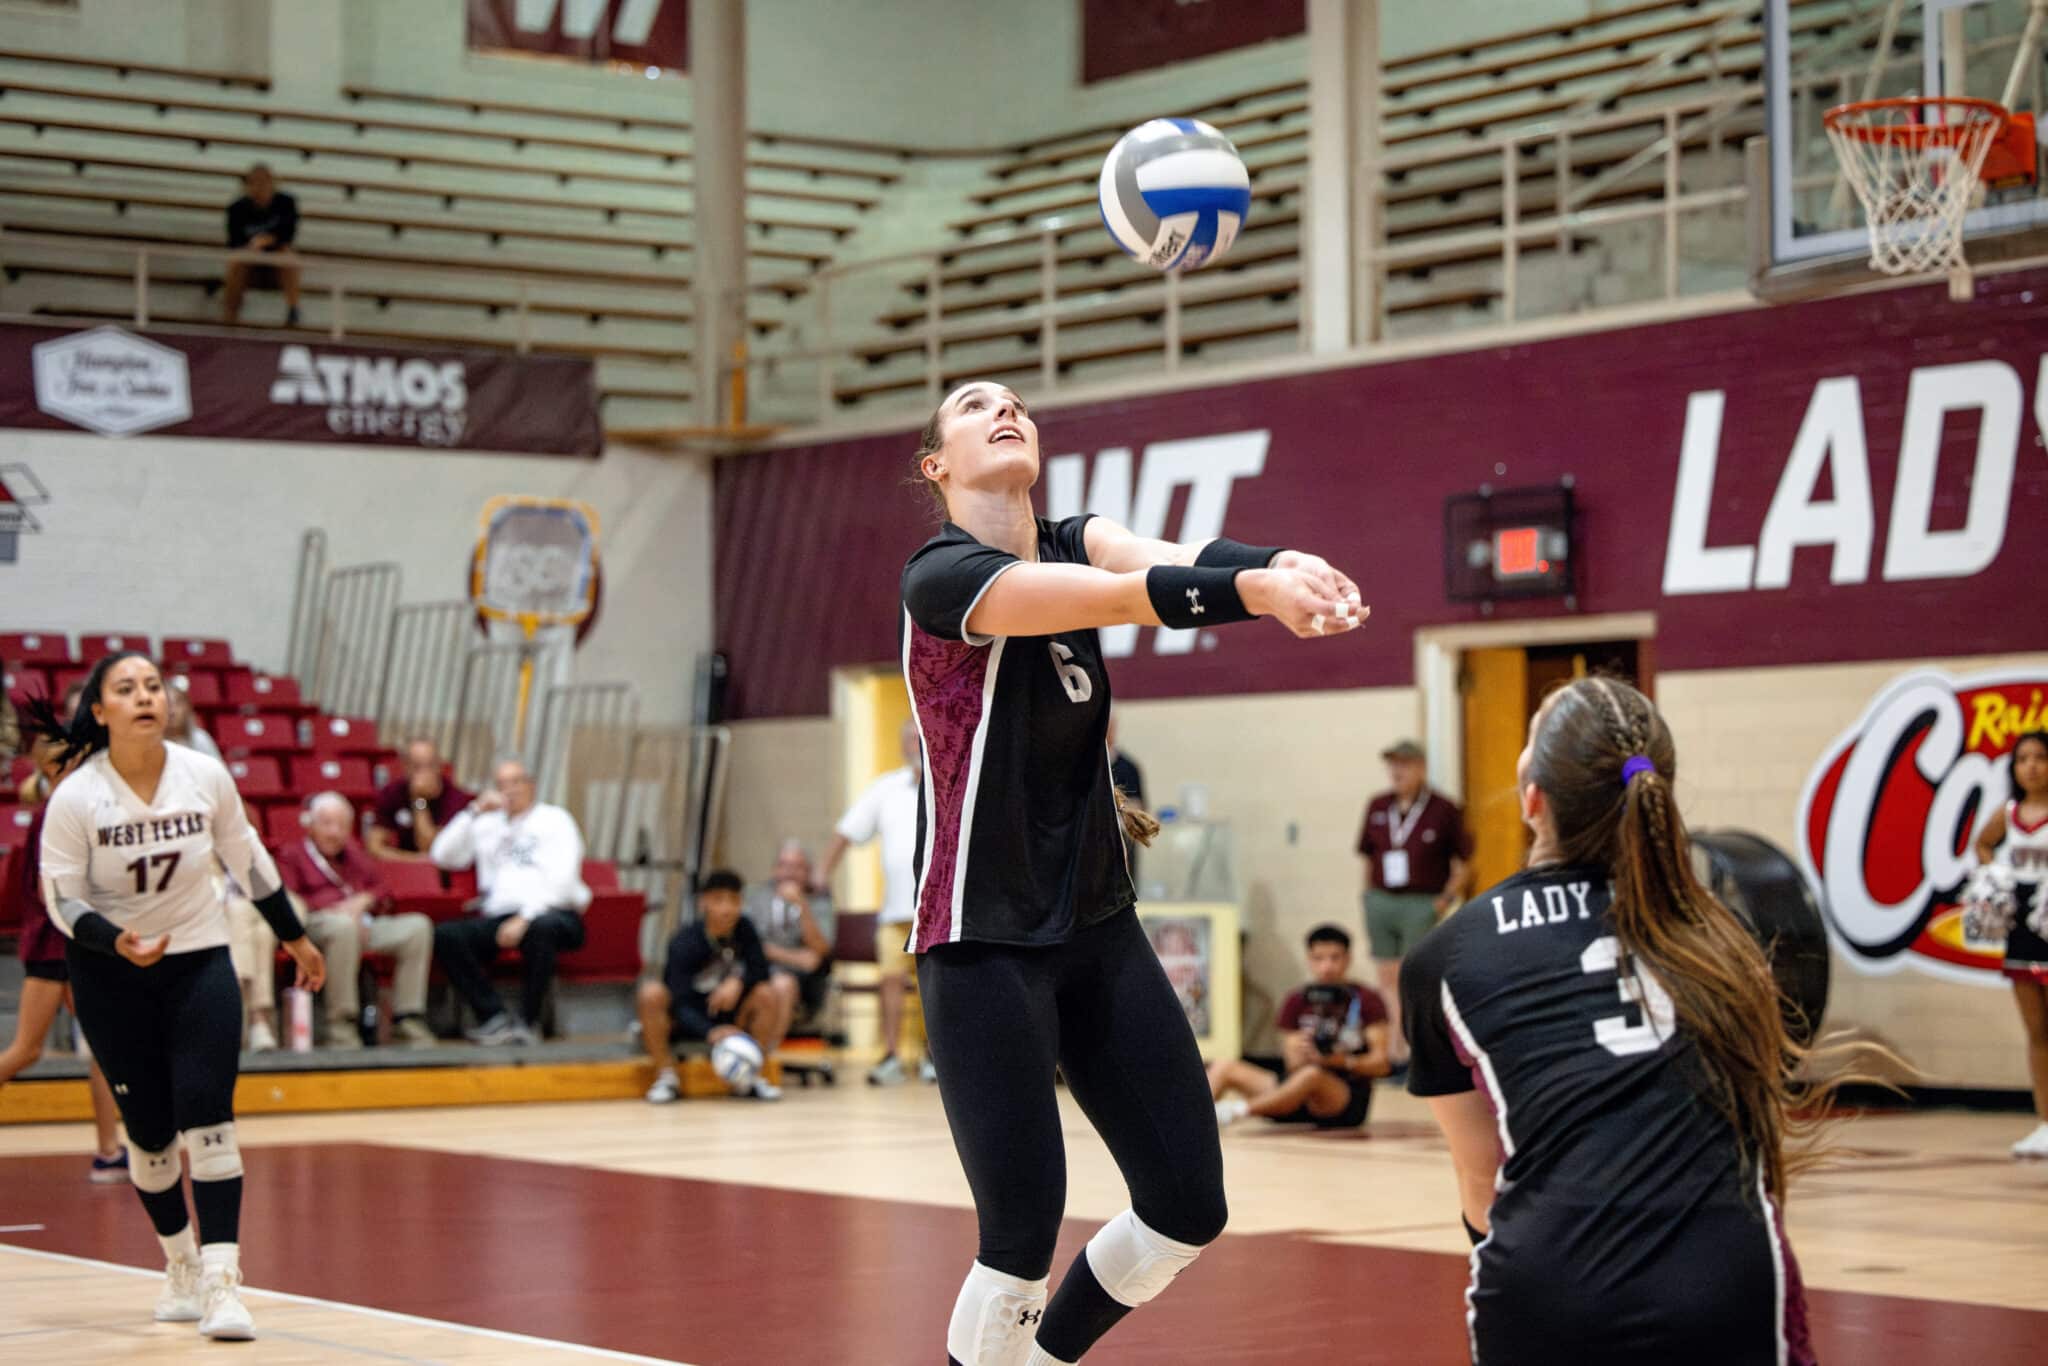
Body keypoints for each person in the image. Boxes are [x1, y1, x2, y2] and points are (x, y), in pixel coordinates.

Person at [902, 379, 1364, 1364]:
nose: (1005, 410)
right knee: (1021, 1238)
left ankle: (1044, 1359)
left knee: (1188, 1204)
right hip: (982, 937)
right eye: (974, 404)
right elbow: (1125, 599)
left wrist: (1281, 564)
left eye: (1018, 402)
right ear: (935, 466)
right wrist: (1257, 595)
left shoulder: (1072, 536)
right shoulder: (941, 576)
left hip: (1095, 927)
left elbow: (1165, 559)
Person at [1402, 677, 1820, 1366]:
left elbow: (1482, 1186)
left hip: (1549, 1288)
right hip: (1728, 1277)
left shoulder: (1446, 956)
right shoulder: (1726, 940)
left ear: (1532, 799)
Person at [30, 653, 326, 1341]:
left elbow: (248, 859)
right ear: (100, 712)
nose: (145, 697)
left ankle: (224, 1284)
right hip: (110, 976)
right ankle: (180, 1265)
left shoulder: (204, 775)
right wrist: (115, 939)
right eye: (126, 689)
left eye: (154, 687)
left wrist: (295, 936)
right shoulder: (77, 797)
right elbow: (59, 899)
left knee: (208, 1115)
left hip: (198, 962)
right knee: (153, 1136)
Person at [0, 730, 127, 1181]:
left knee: (106, 1047)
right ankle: (110, 1150)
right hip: (56, 945)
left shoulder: (66, 808)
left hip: (70, 943)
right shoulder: (56, 811)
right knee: (26, 1050)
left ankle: (110, 1151)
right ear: (57, 767)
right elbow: (46, 890)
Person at [429, 758, 588, 1045]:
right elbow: (441, 855)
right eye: (502, 784)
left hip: (554, 911)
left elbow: (564, 882)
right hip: (500, 913)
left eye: (516, 782)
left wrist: (526, 917)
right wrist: (473, 810)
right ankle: (494, 1017)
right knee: (447, 935)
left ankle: (530, 1021)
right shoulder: (487, 825)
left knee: (541, 930)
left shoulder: (555, 820)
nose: (510, 790)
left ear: (531, 785)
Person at [274, 792, 436, 1048]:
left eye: (341, 825)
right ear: (312, 826)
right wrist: (337, 910)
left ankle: (407, 1018)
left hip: (362, 924)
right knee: (343, 928)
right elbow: (289, 901)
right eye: (327, 824)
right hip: (318, 925)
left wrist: (364, 901)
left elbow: (384, 889)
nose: (334, 832)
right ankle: (341, 1025)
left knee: (418, 926)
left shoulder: (353, 853)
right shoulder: (293, 855)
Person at [818, 721, 930, 1086]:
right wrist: (822, 872)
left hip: (938, 912)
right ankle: (892, 1055)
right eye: (909, 737)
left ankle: (935, 1058)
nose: (914, 742)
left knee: (937, 985)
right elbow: (847, 831)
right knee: (890, 979)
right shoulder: (885, 788)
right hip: (896, 911)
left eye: (919, 736)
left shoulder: (949, 782)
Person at [1357, 738, 1471, 1068]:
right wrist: (1367, 897)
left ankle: (1415, 1048)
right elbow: (1368, 856)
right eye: (1391, 764)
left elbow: (1465, 863)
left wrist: (1444, 900)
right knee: (1386, 977)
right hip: (1382, 901)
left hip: (1421, 902)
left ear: (1420, 768)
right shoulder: (1378, 806)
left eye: (1403, 764)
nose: (1396, 770)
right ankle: (1396, 1050)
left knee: (1413, 975)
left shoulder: (1443, 809)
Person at [1209, 923, 1389, 1130]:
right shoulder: (1297, 999)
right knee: (1224, 1066)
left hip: (1342, 1095)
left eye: (1335, 958)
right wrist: (1302, 1052)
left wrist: (1340, 1060)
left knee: (1311, 1075)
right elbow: (1292, 1065)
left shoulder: (1366, 999)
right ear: (1309, 960)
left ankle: (1232, 1112)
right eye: (1319, 958)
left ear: (1348, 958)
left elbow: (1381, 1063)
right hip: (1295, 1088)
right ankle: (1186, 1122)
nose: (1327, 966)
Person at [637, 869, 787, 1104]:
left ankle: (749, 1075)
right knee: (651, 994)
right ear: (704, 902)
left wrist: (738, 981)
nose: (727, 908)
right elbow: (679, 1000)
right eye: (719, 900)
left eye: (733, 900)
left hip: (732, 1018)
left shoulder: (745, 930)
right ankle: (666, 1076)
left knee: (767, 993)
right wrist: (709, 1031)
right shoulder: (684, 941)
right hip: (690, 1017)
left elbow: (761, 970)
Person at [1974, 729, 2048, 1159]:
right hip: (2022, 928)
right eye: (2023, 759)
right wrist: (1996, 874)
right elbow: (1982, 844)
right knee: (2037, 1031)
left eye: (2040, 757)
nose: (2032, 766)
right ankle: (2044, 1121)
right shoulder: (2010, 812)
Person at [744, 839, 835, 1034]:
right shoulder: (755, 896)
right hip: (757, 968)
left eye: (797, 866)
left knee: (783, 985)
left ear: (808, 872)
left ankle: (770, 1056)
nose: (789, 872)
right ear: (774, 869)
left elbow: (820, 951)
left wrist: (801, 905)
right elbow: (748, 943)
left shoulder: (819, 900)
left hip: (804, 981)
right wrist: (794, 957)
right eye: (784, 865)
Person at [368, 737, 473, 863]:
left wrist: (419, 800)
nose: (425, 772)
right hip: (404, 864)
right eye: (417, 766)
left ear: (440, 766)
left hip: (441, 871)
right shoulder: (392, 792)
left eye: (431, 765)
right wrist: (412, 861)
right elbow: (374, 847)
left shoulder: (455, 799)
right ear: (405, 766)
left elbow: (432, 848)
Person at [222, 163, 300, 326]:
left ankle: (293, 309)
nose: (259, 187)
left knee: (289, 257)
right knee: (236, 261)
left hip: (276, 260)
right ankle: (230, 316)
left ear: (272, 183)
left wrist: (268, 240)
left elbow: (288, 235)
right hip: (249, 260)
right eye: (254, 182)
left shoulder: (286, 203)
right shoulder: (236, 208)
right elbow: (233, 242)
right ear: (247, 186)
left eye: (264, 182)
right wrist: (251, 246)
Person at [163, 686, 222, 762]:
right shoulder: (150, 743)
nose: (172, 711)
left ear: (187, 707)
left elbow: (218, 771)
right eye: (166, 705)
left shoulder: (200, 738)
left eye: (177, 704)